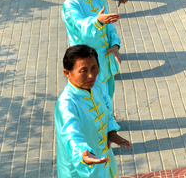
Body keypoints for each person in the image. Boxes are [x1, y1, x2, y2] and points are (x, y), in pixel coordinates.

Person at [55, 44, 131, 178]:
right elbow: (71, 136)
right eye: (83, 70)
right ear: (67, 73)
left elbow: (107, 107)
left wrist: (111, 132)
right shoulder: (66, 104)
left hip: (102, 159)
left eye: (94, 68)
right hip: (80, 169)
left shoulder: (96, 86)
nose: (91, 75)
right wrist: (82, 153)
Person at [63, 0, 122, 99]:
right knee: (91, 99)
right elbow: (79, 25)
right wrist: (97, 21)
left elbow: (109, 25)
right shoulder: (70, 4)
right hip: (86, 63)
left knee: (108, 95)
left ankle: (109, 119)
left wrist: (114, 44)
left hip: (104, 58)